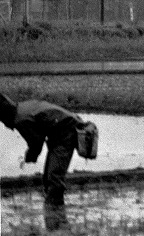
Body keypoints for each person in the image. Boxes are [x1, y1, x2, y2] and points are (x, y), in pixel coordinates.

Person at [0, 93, 82, 231]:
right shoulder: (21, 109)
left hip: (66, 132)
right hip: (59, 131)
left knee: (54, 176)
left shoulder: (21, 119)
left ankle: (55, 214)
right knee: (49, 175)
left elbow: (36, 142)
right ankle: (53, 214)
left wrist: (30, 156)